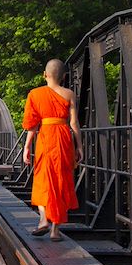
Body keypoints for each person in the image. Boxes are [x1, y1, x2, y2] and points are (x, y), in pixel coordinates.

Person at [22, 59, 83, 242]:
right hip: (64, 138)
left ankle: (42, 219)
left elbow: (32, 125)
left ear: (44, 74)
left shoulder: (35, 94)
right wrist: (79, 145)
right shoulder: (69, 93)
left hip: (46, 137)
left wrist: (26, 147)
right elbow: (73, 123)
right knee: (61, 180)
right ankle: (55, 231)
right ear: (64, 77)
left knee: (42, 178)